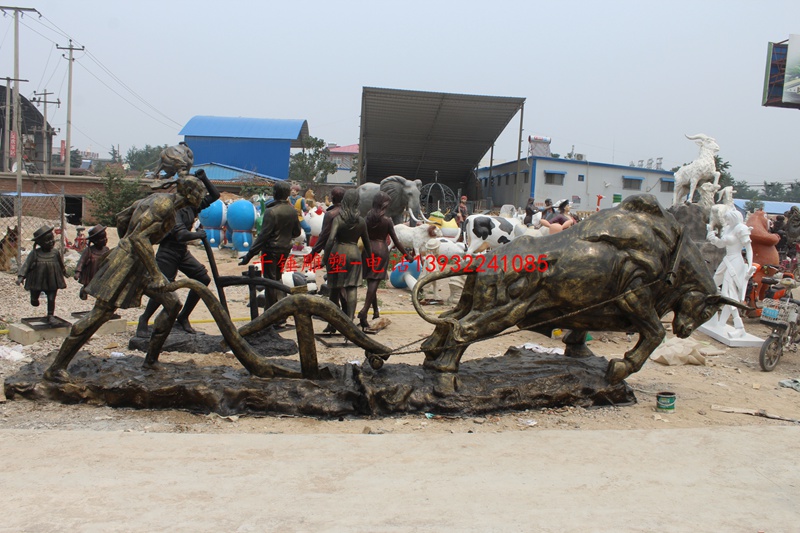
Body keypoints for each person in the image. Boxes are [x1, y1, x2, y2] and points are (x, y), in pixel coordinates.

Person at [44, 176, 209, 382]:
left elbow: (122, 218)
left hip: (139, 261)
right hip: (127, 262)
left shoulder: (160, 201)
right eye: (200, 193)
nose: (202, 198)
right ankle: (56, 367)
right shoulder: (163, 205)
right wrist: (151, 270)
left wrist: (128, 246)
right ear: (190, 193)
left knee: (172, 304)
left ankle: (151, 361)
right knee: (101, 314)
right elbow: (139, 238)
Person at [136, 169, 220, 337]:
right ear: (188, 193)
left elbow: (215, 196)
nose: (199, 196)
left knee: (202, 279)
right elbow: (180, 234)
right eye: (196, 192)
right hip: (168, 252)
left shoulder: (191, 207)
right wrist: (198, 234)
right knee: (163, 289)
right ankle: (144, 320)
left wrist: (204, 178)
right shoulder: (174, 208)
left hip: (182, 252)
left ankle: (183, 318)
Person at [239, 181, 301, 310]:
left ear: (274, 193)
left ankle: (271, 313)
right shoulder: (292, 211)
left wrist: (249, 254)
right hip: (284, 249)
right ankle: (280, 310)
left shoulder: (270, 212)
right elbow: (297, 232)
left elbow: (263, 236)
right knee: (278, 278)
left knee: (270, 281)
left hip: (271, 250)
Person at [357, 191, 413, 331]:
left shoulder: (366, 218)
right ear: (384, 204)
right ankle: (364, 311)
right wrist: (406, 255)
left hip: (368, 250)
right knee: (375, 282)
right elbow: (396, 240)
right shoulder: (387, 220)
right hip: (381, 250)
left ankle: (375, 312)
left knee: (371, 281)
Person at [323, 189, 371, 322]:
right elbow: (367, 243)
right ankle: (350, 321)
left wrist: (325, 258)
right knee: (352, 287)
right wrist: (371, 259)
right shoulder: (361, 221)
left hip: (338, 253)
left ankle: (332, 322)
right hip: (354, 254)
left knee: (334, 288)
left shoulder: (338, 219)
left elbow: (331, 240)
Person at [707, 209, 754, 337]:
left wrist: (750, 266)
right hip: (727, 259)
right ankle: (716, 319)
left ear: (734, 218)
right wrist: (714, 239)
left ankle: (739, 327)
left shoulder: (741, 228)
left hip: (736, 261)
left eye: (728, 219)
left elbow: (749, 249)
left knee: (729, 291)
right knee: (713, 284)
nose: (726, 221)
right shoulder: (727, 228)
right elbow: (721, 244)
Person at [16, 225, 67, 325]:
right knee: (35, 294)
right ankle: (34, 298)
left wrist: (64, 272)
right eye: (47, 241)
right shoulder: (35, 253)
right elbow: (26, 265)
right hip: (37, 280)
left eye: (52, 239)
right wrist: (21, 276)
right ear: (39, 243)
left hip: (52, 279)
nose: (51, 242)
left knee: (52, 297)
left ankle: (50, 315)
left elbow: (61, 264)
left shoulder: (55, 253)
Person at [74, 224, 109, 300]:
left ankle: (100, 297)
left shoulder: (106, 250)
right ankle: (84, 290)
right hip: (91, 272)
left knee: (101, 286)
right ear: (95, 241)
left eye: (105, 237)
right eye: (101, 239)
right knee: (89, 284)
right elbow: (81, 261)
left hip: (101, 272)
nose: (104, 240)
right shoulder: (89, 250)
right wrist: (78, 272)